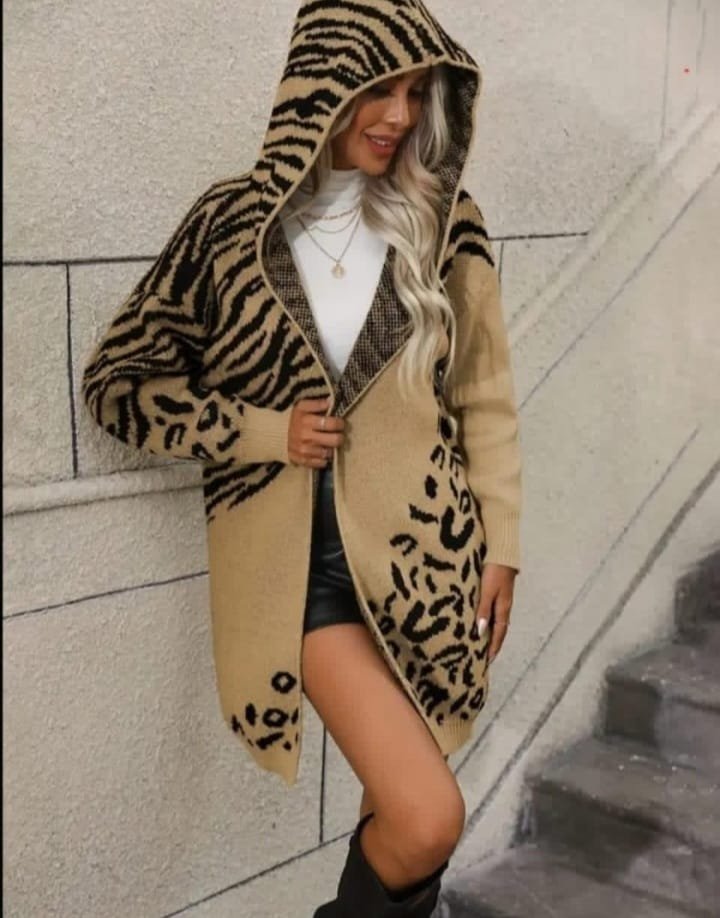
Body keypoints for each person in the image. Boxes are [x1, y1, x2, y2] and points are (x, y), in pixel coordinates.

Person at [80, 1, 523, 914]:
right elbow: (118, 384)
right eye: (378, 87)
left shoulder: (447, 222)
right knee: (427, 819)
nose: (399, 115)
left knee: (395, 817)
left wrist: (503, 545)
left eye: (417, 92)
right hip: (300, 579)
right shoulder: (230, 226)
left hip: (427, 570)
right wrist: (260, 431)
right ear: (321, 83)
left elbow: (483, 393)